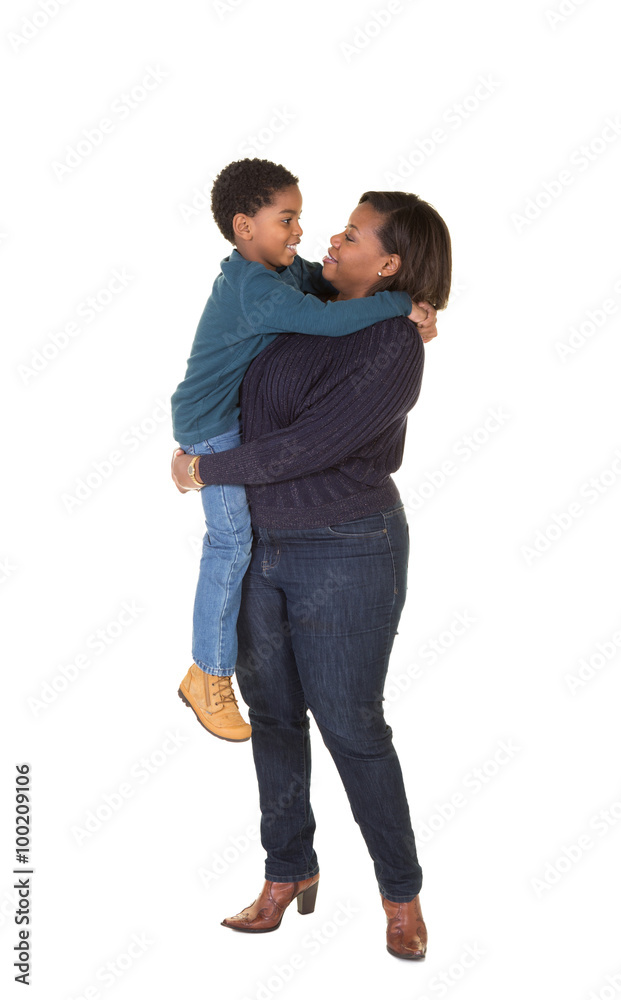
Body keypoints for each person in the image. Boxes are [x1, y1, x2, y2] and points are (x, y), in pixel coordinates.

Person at [171, 189, 451, 960]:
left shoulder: (391, 343)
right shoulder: (302, 296)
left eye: (354, 232)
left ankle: (400, 894)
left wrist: (202, 467)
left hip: (347, 548)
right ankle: (286, 871)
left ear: (389, 264)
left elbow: (307, 447)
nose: (331, 233)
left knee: (353, 730)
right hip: (263, 544)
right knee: (274, 719)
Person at [171, 158, 436, 742]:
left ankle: (208, 669)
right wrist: (398, 305)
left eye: (302, 218)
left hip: (239, 436)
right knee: (229, 542)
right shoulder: (260, 291)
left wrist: (413, 304)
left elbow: (324, 283)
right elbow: (326, 321)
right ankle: (206, 672)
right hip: (211, 425)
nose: (301, 232)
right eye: (286, 219)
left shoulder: (280, 273)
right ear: (245, 228)